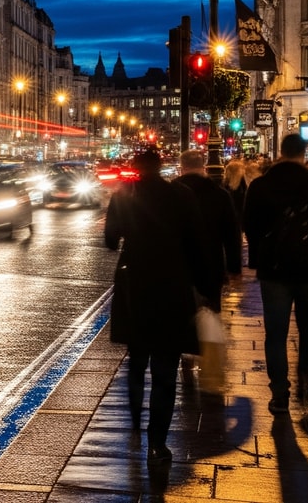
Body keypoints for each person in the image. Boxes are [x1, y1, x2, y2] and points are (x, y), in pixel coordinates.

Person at [104, 148, 202, 463]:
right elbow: (195, 241)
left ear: (135, 168)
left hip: (136, 284)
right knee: (165, 369)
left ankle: (134, 418)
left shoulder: (124, 195)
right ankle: (157, 443)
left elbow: (109, 239)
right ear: (161, 167)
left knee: (137, 358)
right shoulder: (181, 194)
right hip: (171, 285)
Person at [243, 133, 308, 415]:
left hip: (274, 271)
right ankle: (305, 378)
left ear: (281, 151)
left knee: (275, 334)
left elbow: (250, 228)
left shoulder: (261, 186)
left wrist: (261, 256)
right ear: (304, 154)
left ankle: (280, 392)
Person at [173, 150, 243, 305]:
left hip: (177, 264)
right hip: (211, 263)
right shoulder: (219, 194)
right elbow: (231, 234)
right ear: (203, 166)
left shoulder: (168, 193)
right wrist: (234, 268)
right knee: (210, 310)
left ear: (182, 167)